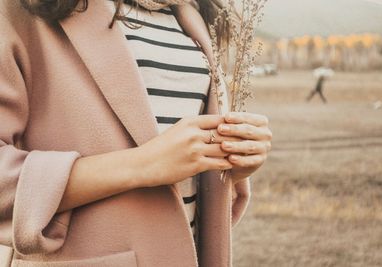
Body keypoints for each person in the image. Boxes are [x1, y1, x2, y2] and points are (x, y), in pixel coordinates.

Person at [0, 0, 272, 266]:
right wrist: (142, 164)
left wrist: (228, 159)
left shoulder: (189, 13)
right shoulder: (19, 9)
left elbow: (183, 170)